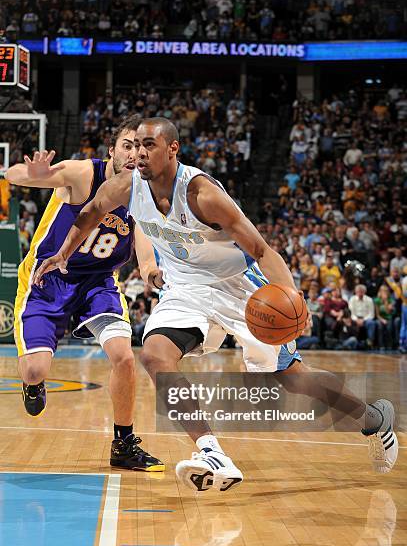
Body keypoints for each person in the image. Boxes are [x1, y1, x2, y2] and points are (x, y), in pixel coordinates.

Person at [34, 117, 398, 490]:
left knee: (295, 381)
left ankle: (372, 418)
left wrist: (294, 298)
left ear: (172, 149)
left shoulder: (201, 194)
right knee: (155, 354)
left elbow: (260, 249)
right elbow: (90, 213)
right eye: (137, 145)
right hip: (186, 290)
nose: (140, 153)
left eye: (150, 146)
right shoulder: (127, 185)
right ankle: (211, 451)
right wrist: (62, 253)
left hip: (239, 288)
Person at [6, 115, 164, 473]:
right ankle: (33, 386)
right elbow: (14, 175)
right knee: (34, 369)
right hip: (50, 280)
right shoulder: (83, 174)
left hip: (98, 284)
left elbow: (144, 248)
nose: (133, 154)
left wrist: (153, 273)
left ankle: (123, 443)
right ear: (112, 150)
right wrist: (33, 174)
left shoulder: (144, 193)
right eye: (127, 145)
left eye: (140, 147)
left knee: (124, 357)